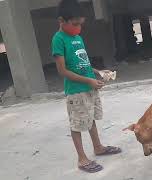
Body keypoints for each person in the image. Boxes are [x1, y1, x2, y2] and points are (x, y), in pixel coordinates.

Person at [51, 0, 121, 173]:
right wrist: (88, 81)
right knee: (77, 124)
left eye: (80, 24)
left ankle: (98, 147)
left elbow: (83, 63)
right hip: (76, 91)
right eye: (74, 24)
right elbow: (63, 70)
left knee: (90, 119)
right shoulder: (58, 39)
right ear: (61, 20)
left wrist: (97, 72)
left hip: (89, 88)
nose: (78, 28)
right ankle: (82, 159)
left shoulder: (78, 38)